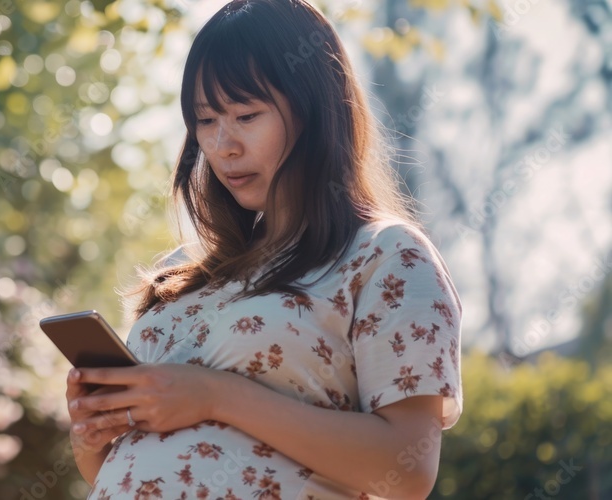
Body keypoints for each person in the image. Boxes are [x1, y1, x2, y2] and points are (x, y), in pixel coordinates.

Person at [65, 0, 463, 498]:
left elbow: (407, 471)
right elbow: (126, 466)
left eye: (246, 115)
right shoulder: (188, 279)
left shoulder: (387, 256)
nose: (223, 145)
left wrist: (215, 396)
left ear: (315, 109)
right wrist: (94, 434)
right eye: (206, 121)